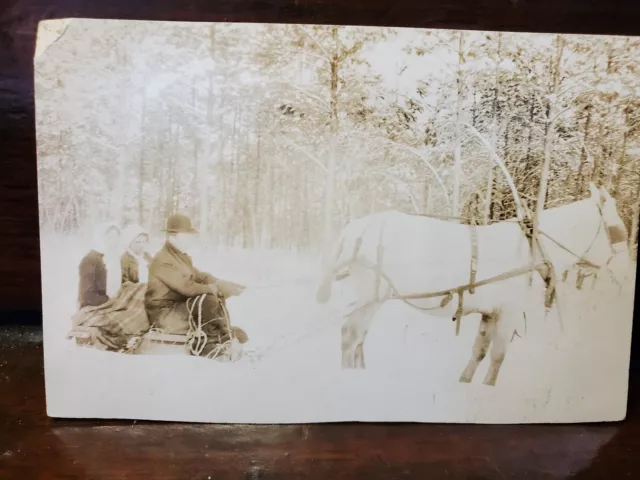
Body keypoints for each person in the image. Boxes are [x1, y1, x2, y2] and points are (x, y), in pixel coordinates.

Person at [144, 213, 248, 359]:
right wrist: (215, 288)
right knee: (207, 298)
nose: (190, 240)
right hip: (164, 314)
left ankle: (222, 333)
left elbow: (200, 276)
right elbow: (186, 287)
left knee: (215, 295)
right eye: (186, 235)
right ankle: (206, 345)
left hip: (177, 307)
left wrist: (223, 284)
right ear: (172, 236)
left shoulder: (181, 256)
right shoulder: (162, 260)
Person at [77, 223, 122, 309]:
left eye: (117, 238)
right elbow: (87, 296)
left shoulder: (115, 259)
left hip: (110, 304)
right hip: (92, 307)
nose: (114, 243)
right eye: (110, 238)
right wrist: (109, 301)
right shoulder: (90, 260)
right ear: (102, 238)